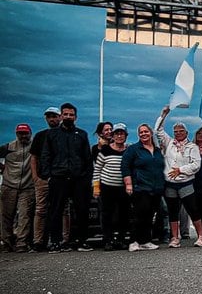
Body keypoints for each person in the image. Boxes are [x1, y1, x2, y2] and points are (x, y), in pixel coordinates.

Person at [41, 102, 93, 252]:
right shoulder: (52, 134)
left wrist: (86, 177)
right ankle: (56, 241)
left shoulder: (82, 134)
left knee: (82, 210)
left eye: (71, 115)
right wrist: (48, 176)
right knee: (56, 210)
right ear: (61, 116)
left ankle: (81, 241)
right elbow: (46, 156)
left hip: (79, 179)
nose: (68, 117)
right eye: (66, 114)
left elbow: (87, 158)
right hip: (58, 177)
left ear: (75, 117)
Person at [155, 106, 202, 248]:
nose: (178, 133)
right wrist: (163, 114)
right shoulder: (169, 143)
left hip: (186, 183)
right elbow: (158, 130)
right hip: (170, 183)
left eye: (181, 131)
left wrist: (181, 170)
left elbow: (196, 164)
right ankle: (175, 238)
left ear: (186, 132)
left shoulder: (192, 146)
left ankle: (200, 236)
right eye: (175, 131)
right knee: (172, 211)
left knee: (192, 209)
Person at [121, 123, 165, 251]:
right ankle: (134, 241)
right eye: (141, 132)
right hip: (140, 187)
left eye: (146, 131)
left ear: (151, 133)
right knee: (139, 214)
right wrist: (128, 183)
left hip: (156, 188)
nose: (143, 134)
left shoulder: (157, 150)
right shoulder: (134, 149)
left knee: (150, 215)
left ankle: (145, 240)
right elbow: (125, 166)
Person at [92, 122, 130, 250]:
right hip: (107, 186)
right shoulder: (105, 150)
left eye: (122, 133)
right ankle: (108, 240)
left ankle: (121, 239)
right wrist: (96, 187)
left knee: (123, 214)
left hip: (123, 187)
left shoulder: (129, 150)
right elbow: (97, 169)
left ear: (126, 136)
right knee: (106, 214)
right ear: (112, 136)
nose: (119, 136)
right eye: (117, 133)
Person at [29, 107, 62, 251]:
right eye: (49, 117)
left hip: (60, 178)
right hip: (43, 178)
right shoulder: (40, 136)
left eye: (54, 116)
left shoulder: (65, 135)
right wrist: (36, 177)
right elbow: (34, 157)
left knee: (63, 210)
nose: (52, 119)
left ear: (60, 117)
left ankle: (63, 240)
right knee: (41, 209)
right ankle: (38, 241)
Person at [0, 124, 35, 252]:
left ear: (30, 133)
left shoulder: (34, 147)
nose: (23, 136)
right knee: (6, 216)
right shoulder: (8, 147)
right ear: (16, 134)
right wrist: (2, 168)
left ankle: (22, 243)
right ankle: (6, 243)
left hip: (27, 186)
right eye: (20, 133)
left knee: (24, 215)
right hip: (9, 185)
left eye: (25, 133)